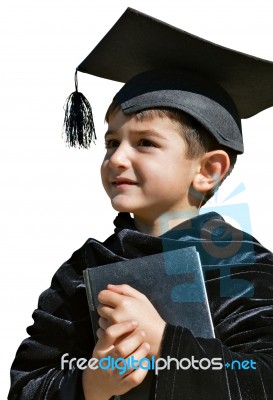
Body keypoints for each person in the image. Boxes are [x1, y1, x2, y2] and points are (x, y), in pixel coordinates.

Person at [8, 8, 273, 400]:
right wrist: (88, 384)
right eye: (112, 142)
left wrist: (167, 344)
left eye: (146, 143)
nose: (116, 158)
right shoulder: (82, 271)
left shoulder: (242, 266)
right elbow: (28, 383)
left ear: (208, 170)